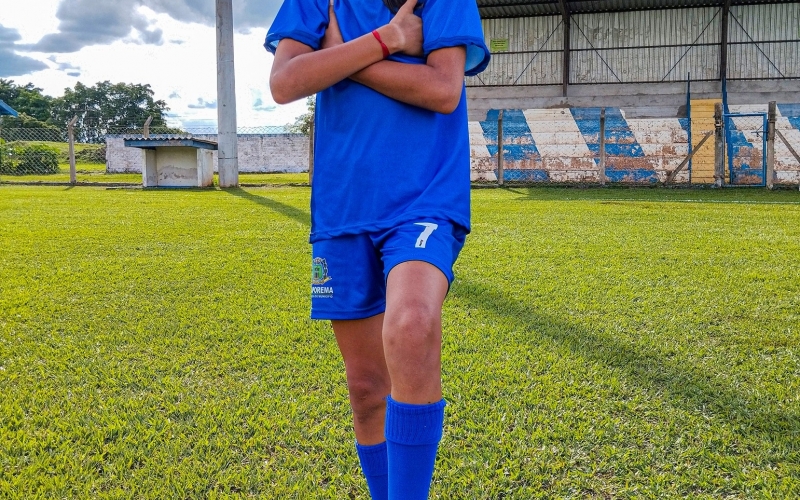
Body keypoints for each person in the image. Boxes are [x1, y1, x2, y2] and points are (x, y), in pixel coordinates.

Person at [265, 0, 489, 498]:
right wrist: (386, 40)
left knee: (411, 324)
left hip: (422, 200)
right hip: (343, 209)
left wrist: (339, 57)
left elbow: (442, 89)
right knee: (367, 389)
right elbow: (285, 84)